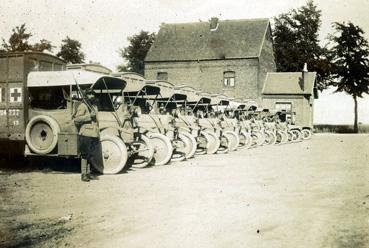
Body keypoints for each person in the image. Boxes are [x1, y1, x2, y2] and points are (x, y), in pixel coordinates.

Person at [73, 88, 100, 182]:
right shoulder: (83, 106)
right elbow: (76, 119)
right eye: (89, 94)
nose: (92, 96)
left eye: (93, 94)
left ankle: (88, 173)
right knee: (84, 155)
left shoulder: (94, 106)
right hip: (85, 133)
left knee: (90, 154)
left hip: (93, 134)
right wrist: (89, 117)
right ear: (86, 95)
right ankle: (83, 174)